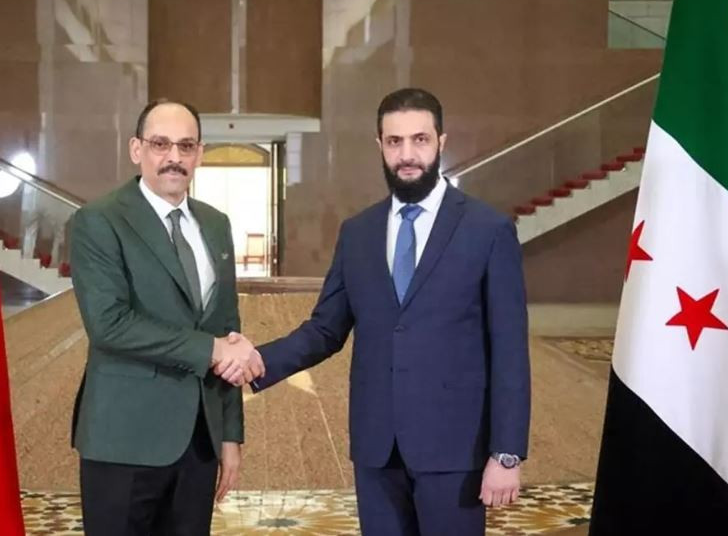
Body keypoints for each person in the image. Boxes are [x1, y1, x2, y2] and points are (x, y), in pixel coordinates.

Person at [226, 88, 531, 535]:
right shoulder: (358, 233)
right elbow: (325, 329)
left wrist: (506, 454)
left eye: (420, 139)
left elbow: (509, 350)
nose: (407, 155)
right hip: (376, 450)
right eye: (394, 141)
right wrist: (257, 359)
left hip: (454, 450)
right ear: (380, 146)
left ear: (441, 142)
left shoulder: (488, 229)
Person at [69, 99, 265, 536]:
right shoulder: (99, 221)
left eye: (186, 146)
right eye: (161, 144)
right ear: (136, 149)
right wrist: (212, 350)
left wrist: (229, 434)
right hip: (123, 440)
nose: (174, 157)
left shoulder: (216, 224)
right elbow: (109, 324)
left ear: (199, 154)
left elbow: (226, 330)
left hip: (198, 442)